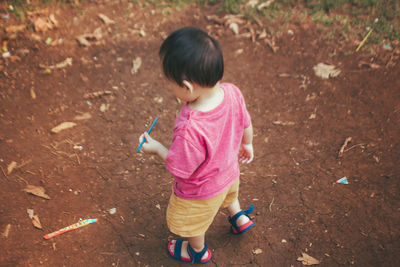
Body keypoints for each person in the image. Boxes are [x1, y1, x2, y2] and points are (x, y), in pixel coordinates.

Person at [138, 26, 254, 264]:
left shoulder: (191, 126)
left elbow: (181, 167)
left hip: (200, 192)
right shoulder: (232, 93)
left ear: (187, 87)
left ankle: (197, 251)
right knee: (229, 195)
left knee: (195, 222)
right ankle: (239, 218)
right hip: (229, 172)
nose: (171, 89)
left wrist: (157, 148)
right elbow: (246, 123)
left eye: (171, 84)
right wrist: (248, 144)